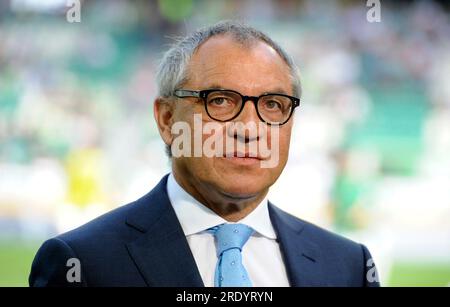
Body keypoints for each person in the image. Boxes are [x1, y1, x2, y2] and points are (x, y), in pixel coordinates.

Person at [29, 20, 379, 287]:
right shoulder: (83, 262)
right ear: (167, 119)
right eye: (221, 102)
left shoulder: (347, 265)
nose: (249, 128)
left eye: (273, 105)